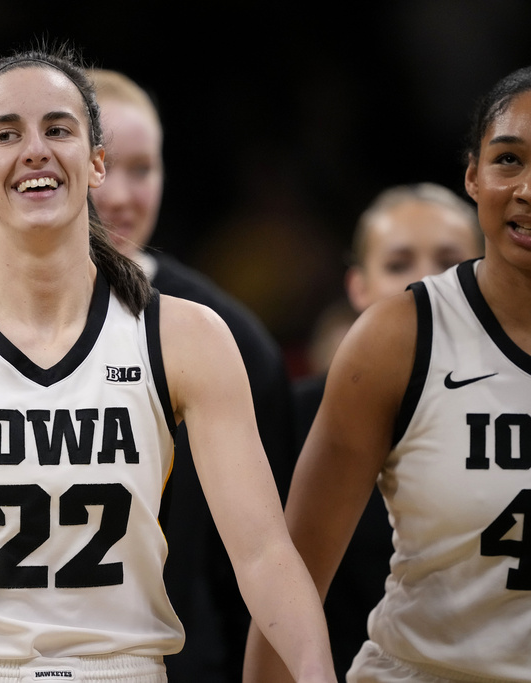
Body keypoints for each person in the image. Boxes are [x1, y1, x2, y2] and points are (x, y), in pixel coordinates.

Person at [0, 43, 335, 683]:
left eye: (58, 129)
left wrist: (315, 671)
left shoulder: (185, 334)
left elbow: (262, 554)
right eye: (7, 133)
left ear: (95, 163)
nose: (35, 149)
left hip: (117, 668)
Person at [243, 65, 531, 683]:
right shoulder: (399, 336)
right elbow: (293, 576)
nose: (527, 186)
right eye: (509, 159)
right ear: (474, 178)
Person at [87, 67, 296, 682]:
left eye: (143, 169)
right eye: (105, 166)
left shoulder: (231, 338)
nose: (122, 195)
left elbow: (271, 555)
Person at [290, 182, 483, 681]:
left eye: (448, 260)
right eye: (399, 264)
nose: (425, 282)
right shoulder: (294, 418)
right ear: (357, 287)